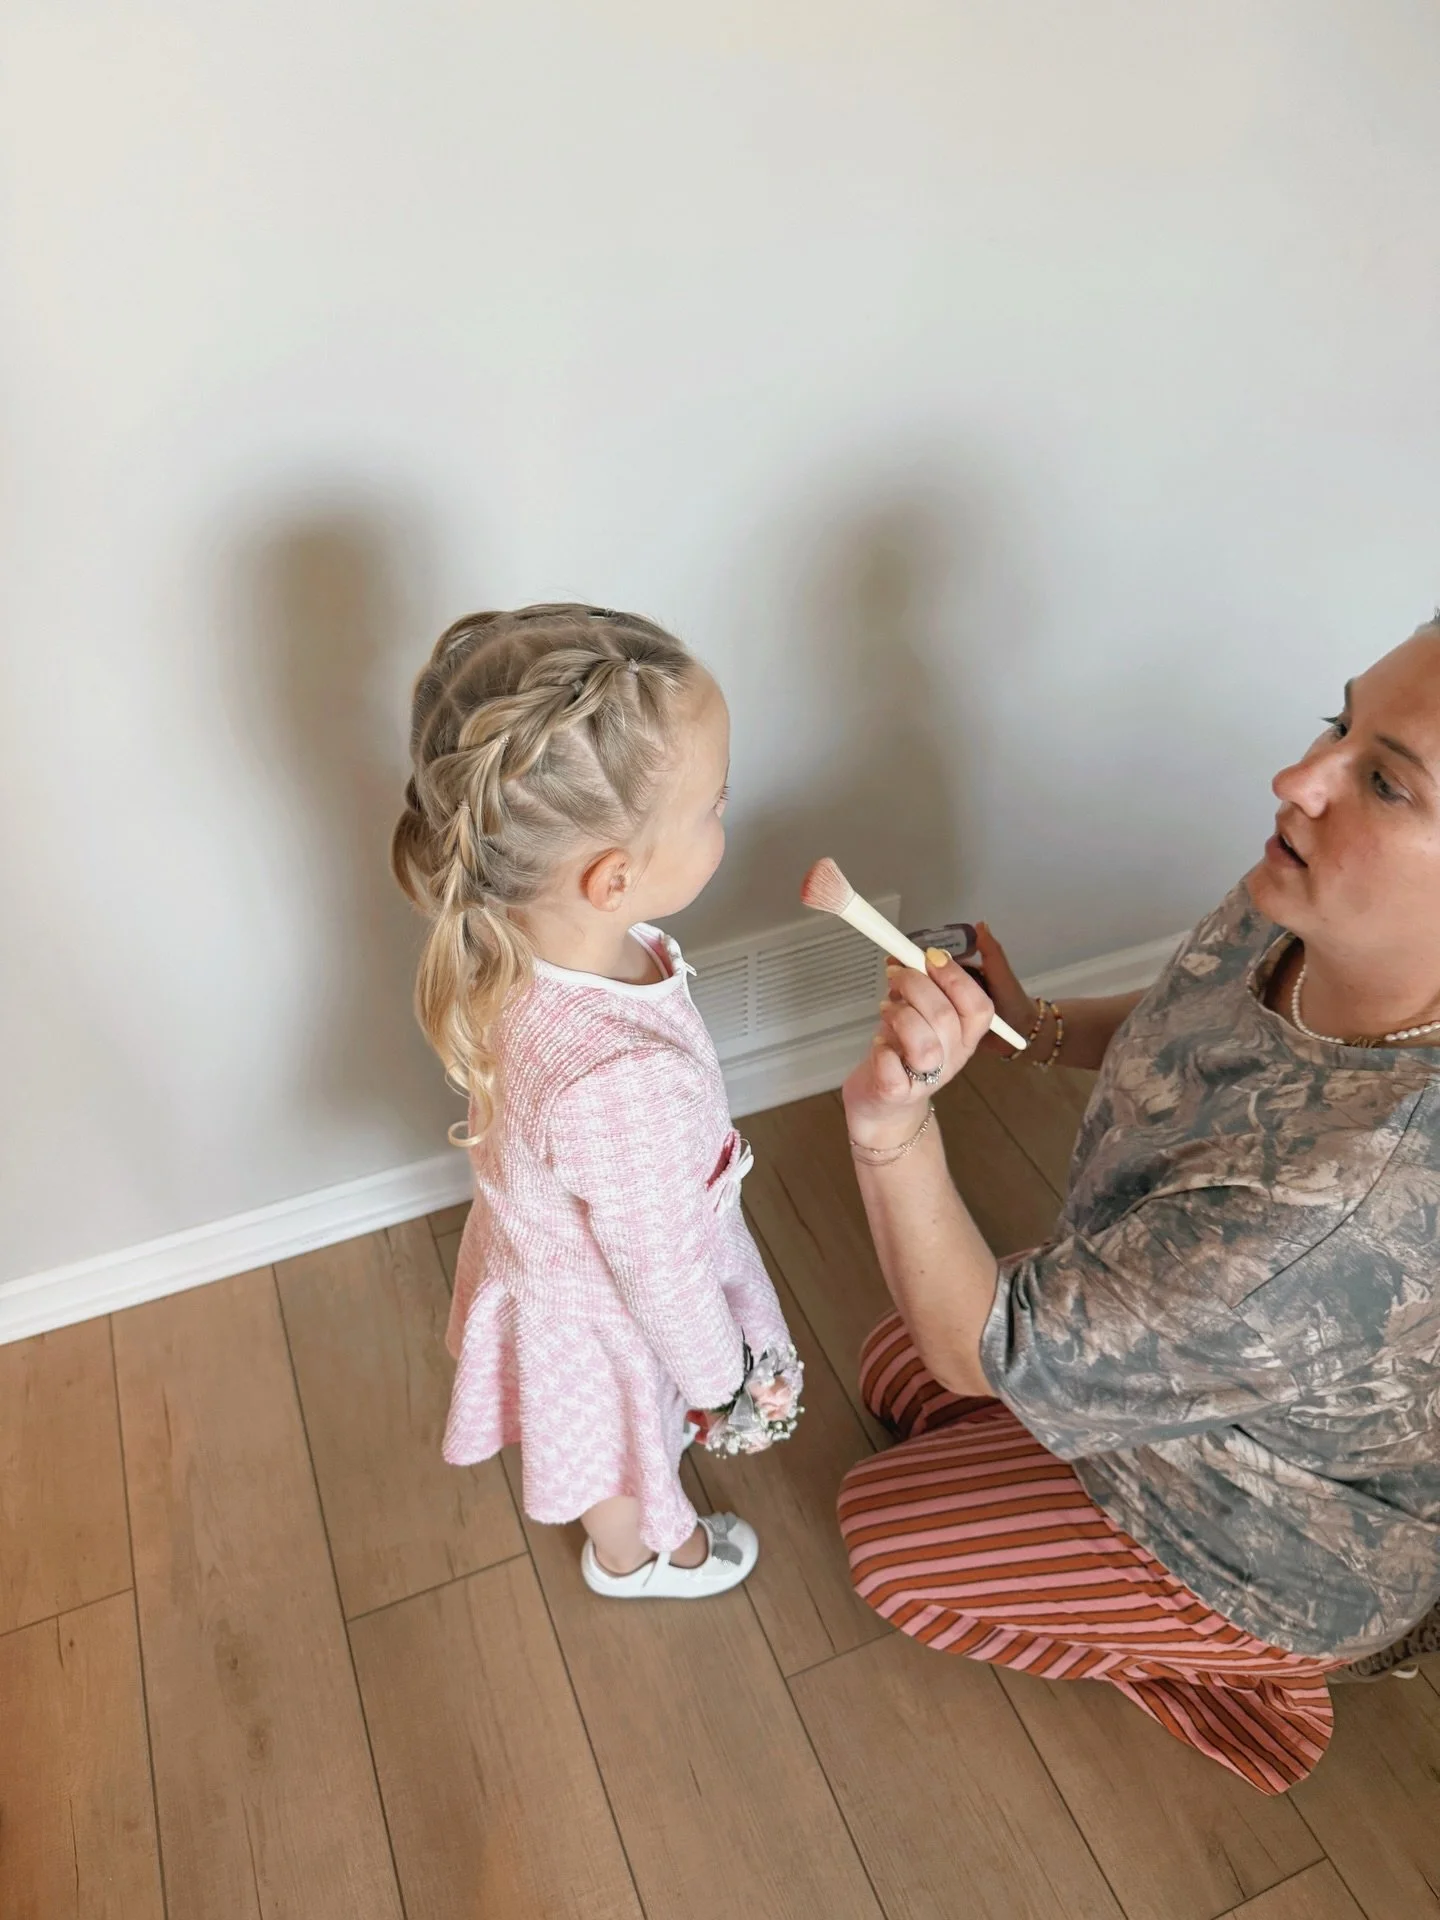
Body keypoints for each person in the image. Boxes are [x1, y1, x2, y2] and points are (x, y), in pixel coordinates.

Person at [837, 619, 1440, 1793]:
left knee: (885, 1541)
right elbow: (1191, 1012)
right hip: (1193, 1343)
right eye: (1340, 723)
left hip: (1269, 1540)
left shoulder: (1335, 1212)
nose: (1298, 778)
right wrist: (1036, 1027)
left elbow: (975, 1351)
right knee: (885, 1376)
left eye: (1386, 782)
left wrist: (888, 1131)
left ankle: (1257, 1680)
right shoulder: (1305, 896)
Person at [393, 604, 801, 1599]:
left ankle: (632, 1537)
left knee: (610, 1438)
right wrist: (721, 1382)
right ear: (613, 878)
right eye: (714, 805)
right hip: (603, 1313)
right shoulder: (622, 1080)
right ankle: (637, 1557)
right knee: (620, 1454)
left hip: (555, 1264)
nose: (725, 816)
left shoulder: (516, 939)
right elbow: (662, 1276)